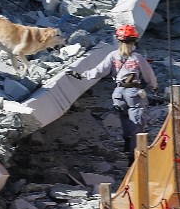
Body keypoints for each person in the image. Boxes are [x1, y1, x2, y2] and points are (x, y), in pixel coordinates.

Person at [67, 24, 158, 164]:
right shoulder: (138, 58)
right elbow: (149, 76)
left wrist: (80, 75)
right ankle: (134, 158)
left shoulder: (113, 56)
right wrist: (154, 87)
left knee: (125, 119)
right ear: (134, 41)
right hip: (133, 93)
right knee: (138, 125)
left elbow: (98, 71)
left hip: (118, 94)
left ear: (118, 40)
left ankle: (127, 143)